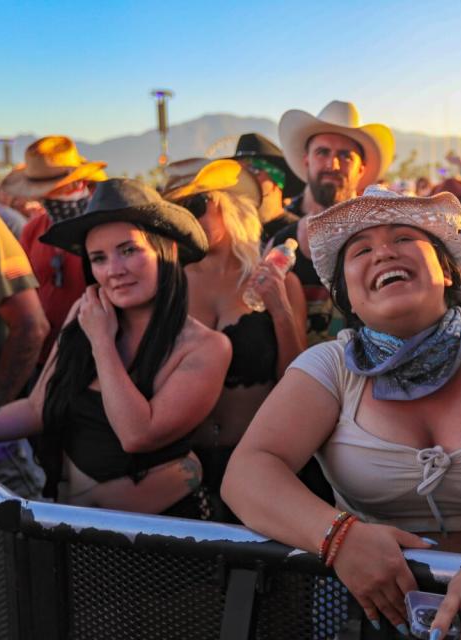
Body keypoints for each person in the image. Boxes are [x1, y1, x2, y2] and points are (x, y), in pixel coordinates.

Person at [222, 187, 461, 639]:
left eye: (403, 238)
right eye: (361, 250)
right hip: (361, 610)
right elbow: (247, 472)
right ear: (348, 299)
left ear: (448, 270)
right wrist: (339, 537)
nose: (383, 254)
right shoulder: (328, 367)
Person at [0, 179, 231, 517]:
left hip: (160, 536)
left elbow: (137, 435)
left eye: (129, 250)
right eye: (98, 258)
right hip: (76, 523)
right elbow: (37, 408)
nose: (114, 271)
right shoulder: (86, 317)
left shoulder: (205, 347)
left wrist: (101, 342)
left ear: (167, 250)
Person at [165, 159, 306, 517]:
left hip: (258, 461)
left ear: (230, 206)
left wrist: (280, 311)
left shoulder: (276, 279)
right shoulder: (168, 283)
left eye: (196, 205)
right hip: (180, 464)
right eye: (177, 208)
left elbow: (298, 381)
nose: (187, 217)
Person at [272, 100, 395, 346]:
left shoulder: (383, 234)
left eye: (344, 156)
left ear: (362, 168)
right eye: (323, 152)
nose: (333, 164)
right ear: (307, 159)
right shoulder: (276, 234)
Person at [2, 136, 108, 367]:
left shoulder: (106, 228)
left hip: (98, 355)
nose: (47, 196)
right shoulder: (33, 229)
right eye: (42, 190)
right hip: (45, 357)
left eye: (52, 188)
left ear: (77, 182)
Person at [230, 133, 305, 244]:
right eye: (238, 172)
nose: (243, 179)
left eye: (253, 170)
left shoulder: (301, 234)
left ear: (277, 180)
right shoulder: (231, 234)